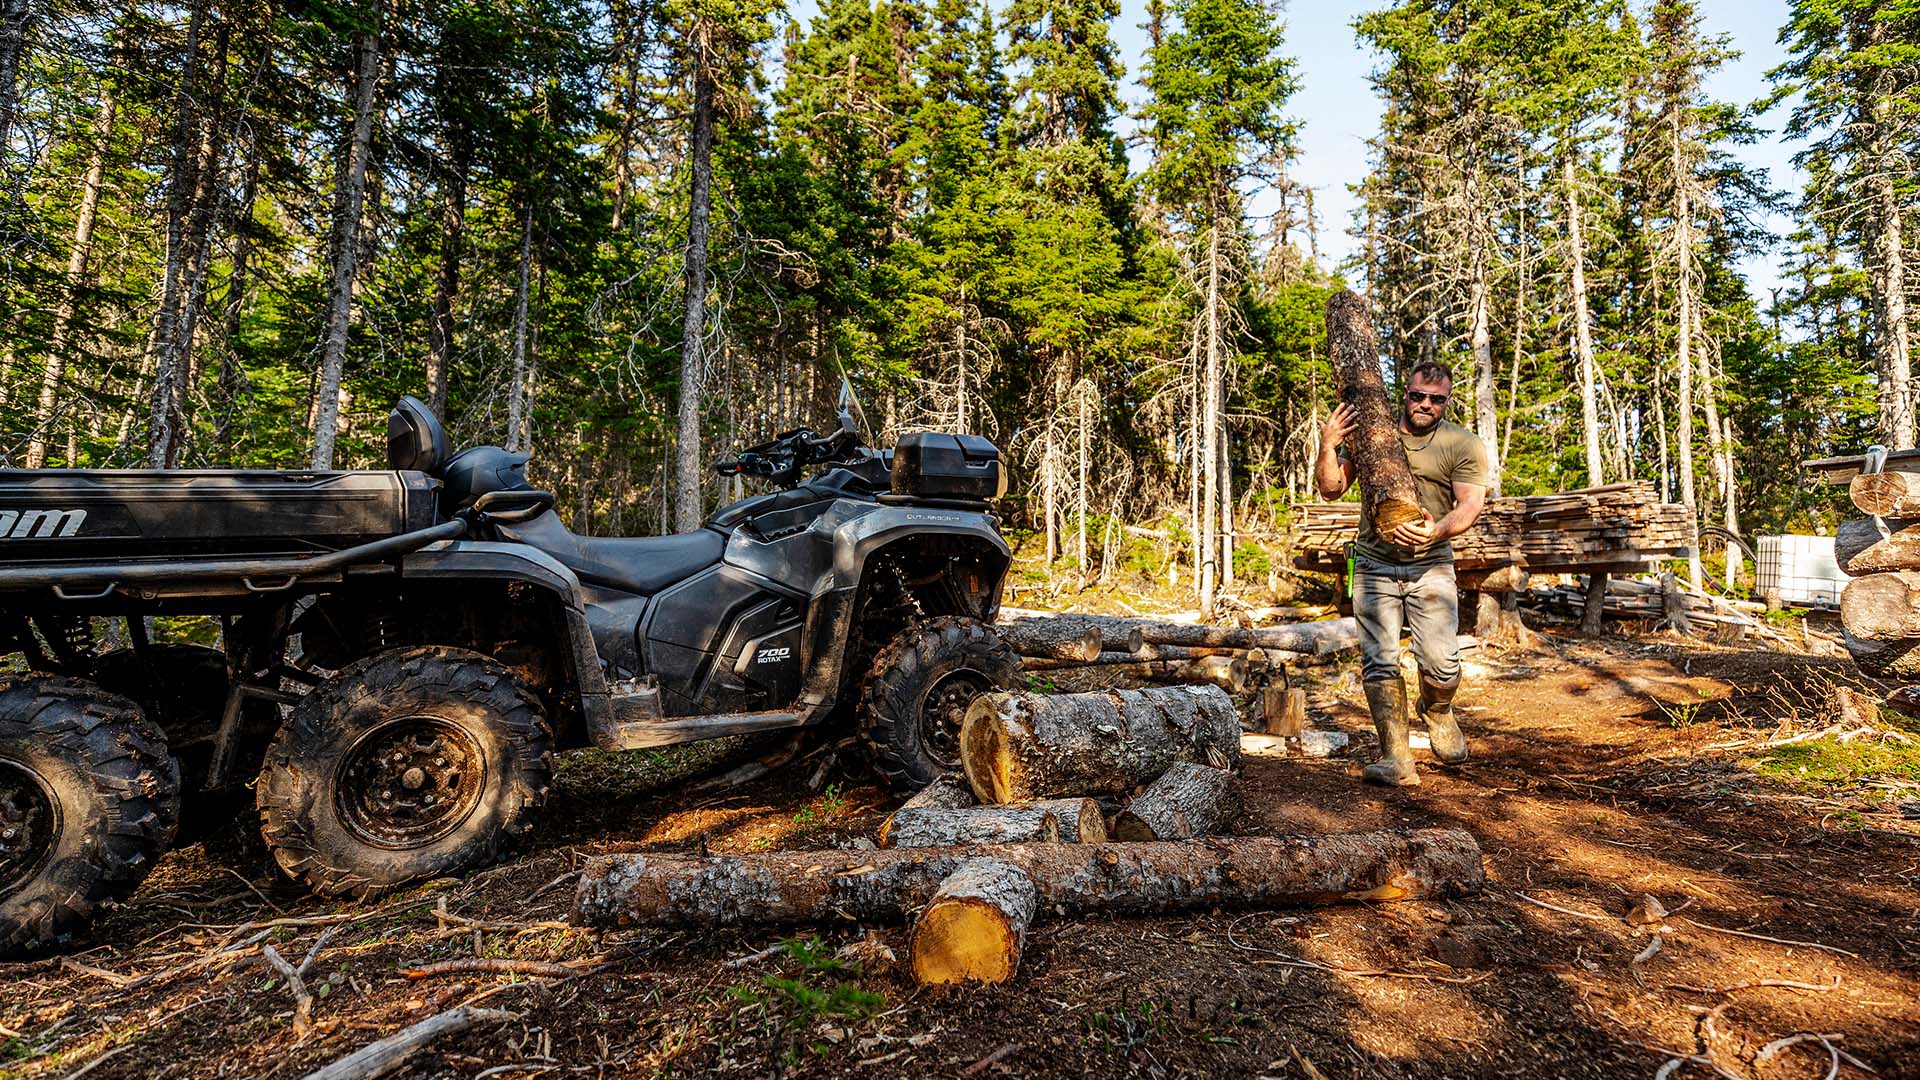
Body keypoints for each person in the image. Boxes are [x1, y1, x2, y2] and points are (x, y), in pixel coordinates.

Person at [1315, 361, 1488, 786]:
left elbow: (1469, 506)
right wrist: (1328, 443)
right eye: (1417, 395)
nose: (1425, 404)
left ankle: (1438, 710)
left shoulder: (1461, 443)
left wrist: (1437, 530)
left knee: (1442, 665)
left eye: (1435, 399)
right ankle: (1396, 757)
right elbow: (1331, 488)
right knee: (1379, 661)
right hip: (1374, 565)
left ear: (1447, 401)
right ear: (1405, 394)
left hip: (1430, 565)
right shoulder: (1374, 436)